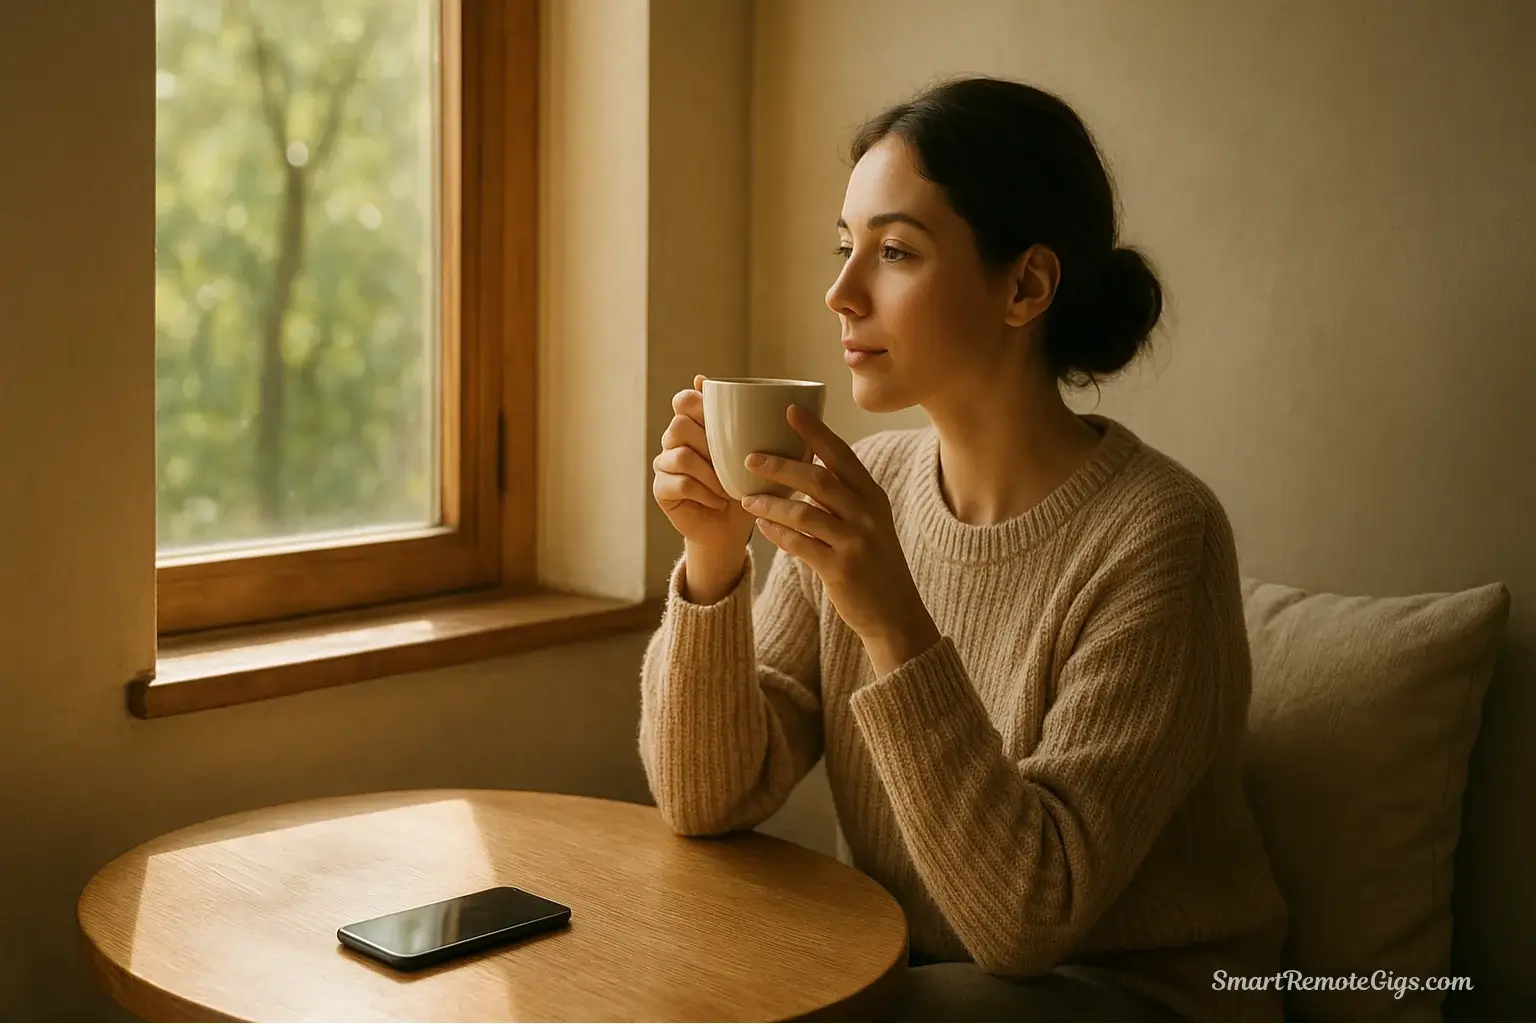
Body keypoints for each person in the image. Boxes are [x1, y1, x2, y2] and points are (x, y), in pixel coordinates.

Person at [641, 74, 1287, 1022]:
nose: (841, 293)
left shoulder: (1161, 536)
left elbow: (1030, 917)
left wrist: (893, 618)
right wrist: (713, 561)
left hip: (1131, 997)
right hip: (929, 982)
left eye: (894, 251)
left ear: (1024, 285)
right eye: (844, 246)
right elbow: (708, 799)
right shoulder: (874, 487)